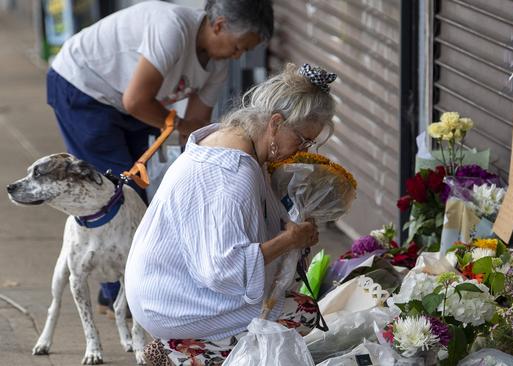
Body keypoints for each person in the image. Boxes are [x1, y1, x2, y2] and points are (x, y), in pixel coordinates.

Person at [46, 0, 273, 315]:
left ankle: (134, 290)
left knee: (140, 190)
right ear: (219, 25)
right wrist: (179, 127)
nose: (238, 56)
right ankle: (119, 297)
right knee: (119, 195)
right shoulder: (172, 29)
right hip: (83, 88)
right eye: (238, 47)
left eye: (244, 52)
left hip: (130, 104)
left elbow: (194, 130)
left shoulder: (218, 63)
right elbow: (138, 100)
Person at [124, 63, 337, 365]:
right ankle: (179, 354)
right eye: (303, 140)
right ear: (275, 123)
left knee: (286, 305)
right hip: (170, 300)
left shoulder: (233, 139)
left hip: (166, 286)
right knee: (301, 314)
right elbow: (224, 269)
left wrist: (294, 230)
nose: (303, 149)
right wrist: (289, 241)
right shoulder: (233, 173)